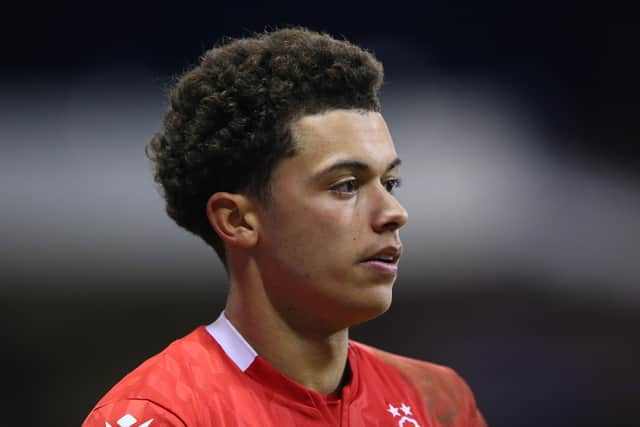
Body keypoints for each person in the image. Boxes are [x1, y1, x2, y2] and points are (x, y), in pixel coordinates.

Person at [82, 27, 486, 427]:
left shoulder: (439, 402)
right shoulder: (161, 415)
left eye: (390, 183)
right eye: (346, 186)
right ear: (237, 220)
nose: (394, 212)